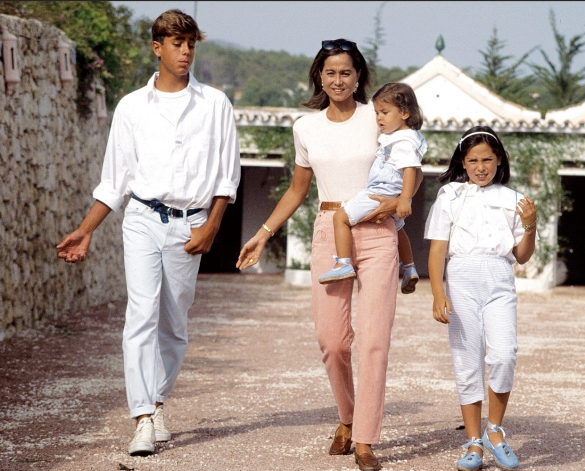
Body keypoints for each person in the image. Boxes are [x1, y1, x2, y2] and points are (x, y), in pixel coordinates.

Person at [55, 9, 241, 456]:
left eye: (191, 44)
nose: (186, 52)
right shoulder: (132, 107)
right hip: (140, 218)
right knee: (140, 315)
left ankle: (158, 401)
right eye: (177, 44)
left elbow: (226, 177)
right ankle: (142, 416)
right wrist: (85, 231)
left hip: (190, 222)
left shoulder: (215, 104)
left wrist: (212, 226)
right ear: (157, 48)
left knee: (174, 323)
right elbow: (115, 181)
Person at [237, 39, 421, 471]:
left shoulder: (379, 120)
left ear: (359, 77)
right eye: (330, 72)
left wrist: (397, 206)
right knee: (333, 343)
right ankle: (347, 416)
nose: (338, 80)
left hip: (377, 231)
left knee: (374, 342)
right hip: (329, 229)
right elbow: (299, 189)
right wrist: (263, 234)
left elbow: (408, 166)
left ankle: (365, 440)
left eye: (346, 72)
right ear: (319, 76)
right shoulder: (306, 127)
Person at [425, 126, 538, 471]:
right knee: (467, 359)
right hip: (460, 279)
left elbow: (522, 256)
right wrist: (437, 292)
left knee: (504, 355)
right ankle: (473, 442)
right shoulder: (451, 195)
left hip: (499, 279)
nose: (480, 166)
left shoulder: (513, 199)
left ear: (499, 159)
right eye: (473, 160)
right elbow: (437, 250)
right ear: (463, 161)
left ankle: (495, 431)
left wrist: (531, 225)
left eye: (487, 159)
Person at [317, 82, 426, 295]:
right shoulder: (405, 137)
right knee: (398, 228)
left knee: (340, 218)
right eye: (377, 113)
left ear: (404, 113)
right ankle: (410, 266)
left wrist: (405, 199)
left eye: (385, 112)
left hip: (381, 192)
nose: (379, 118)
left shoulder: (404, 141)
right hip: (393, 193)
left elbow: (411, 169)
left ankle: (343, 263)